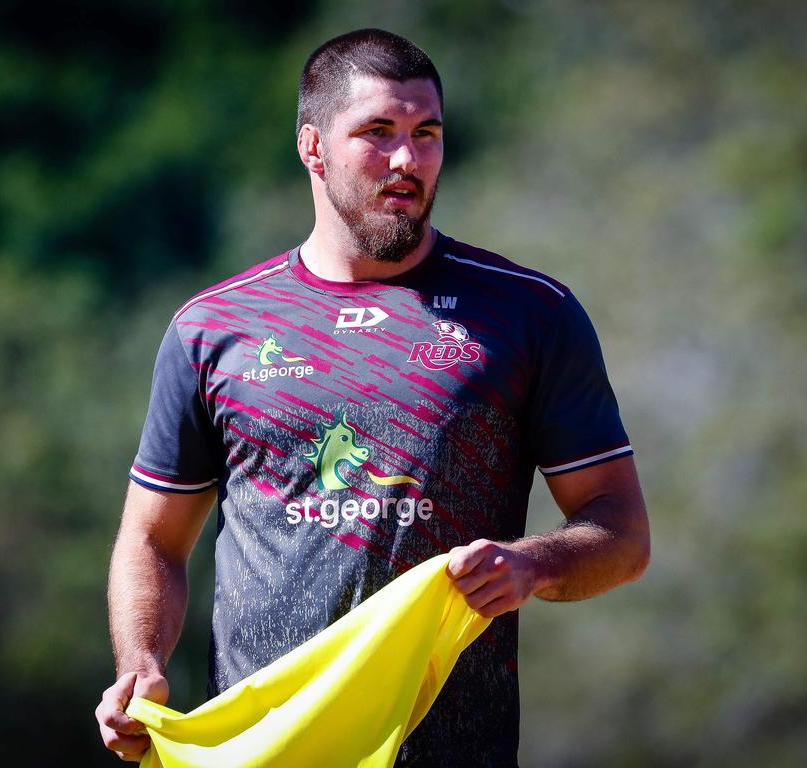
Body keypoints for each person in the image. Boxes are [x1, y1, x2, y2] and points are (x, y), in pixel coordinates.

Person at [95, 28, 650, 767]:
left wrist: (533, 564)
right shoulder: (214, 327)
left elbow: (621, 530)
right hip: (264, 750)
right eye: (378, 133)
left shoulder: (530, 315)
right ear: (313, 148)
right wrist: (141, 667)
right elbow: (153, 540)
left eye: (426, 134)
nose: (407, 160)